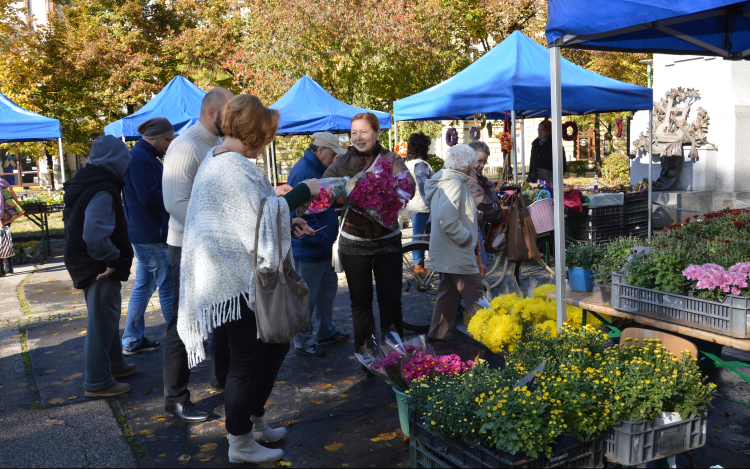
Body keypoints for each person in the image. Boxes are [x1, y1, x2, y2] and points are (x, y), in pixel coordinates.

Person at [177, 94, 319, 464]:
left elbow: (254, 216)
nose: (268, 142)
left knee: (274, 347)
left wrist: (288, 220)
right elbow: (258, 220)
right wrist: (308, 192)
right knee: (247, 360)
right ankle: (239, 442)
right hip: (233, 282)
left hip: (238, 277)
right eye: (267, 135)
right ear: (254, 131)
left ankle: (254, 421)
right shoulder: (229, 168)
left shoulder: (226, 161)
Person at [161, 87, 234, 422]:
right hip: (186, 247)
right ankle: (175, 398)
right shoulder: (186, 145)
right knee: (183, 321)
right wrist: (221, 224)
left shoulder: (215, 144)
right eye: (229, 111)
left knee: (222, 311)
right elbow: (175, 203)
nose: (233, 118)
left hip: (212, 243)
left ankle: (222, 378)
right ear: (211, 112)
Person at [323, 112, 415, 377]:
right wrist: (348, 193)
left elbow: (408, 185)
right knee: (359, 303)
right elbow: (326, 192)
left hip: (387, 240)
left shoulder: (390, 159)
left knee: (391, 302)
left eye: (363, 132)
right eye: (354, 133)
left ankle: (395, 357)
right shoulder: (341, 161)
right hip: (354, 241)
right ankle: (366, 359)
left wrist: (382, 191)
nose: (358, 137)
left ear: (376, 133)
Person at [62, 136, 136, 397]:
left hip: (85, 260)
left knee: (106, 316)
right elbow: (94, 234)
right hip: (98, 264)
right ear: (117, 161)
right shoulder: (103, 188)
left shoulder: (87, 180)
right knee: (101, 322)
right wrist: (113, 258)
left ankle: (115, 365)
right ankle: (98, 382)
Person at [289, 132, 350, 358]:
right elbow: (300, 212)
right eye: (333, 154)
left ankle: (326, 331)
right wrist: (321, 240)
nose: (335, 159)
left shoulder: (315, 168)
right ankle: (304, 342)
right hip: (311, 246)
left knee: (326, 292)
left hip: (321, 245)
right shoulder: (305, 171)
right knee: (307, 298)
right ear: (321, 150)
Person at [121, 117, 175, 356]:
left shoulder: (142, 156)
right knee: (167, 287)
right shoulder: (142, 159)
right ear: (154, 138)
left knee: (143, 287)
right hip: (151, 235)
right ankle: (179, 339)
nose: (169, 144)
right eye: (167, 139)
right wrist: (175, 195)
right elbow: (149, 196)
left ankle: (132, 340)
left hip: (144, 233)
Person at [424, 144, 485, 341]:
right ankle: (497, 338)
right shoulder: (454, 183)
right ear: (465, 165)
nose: (475, 166)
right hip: (457, 252)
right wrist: (466, 238)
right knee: (478, 298)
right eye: (473, 162)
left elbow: (449, 212)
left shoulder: (448, 180)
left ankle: (437, 336)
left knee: (447, 295)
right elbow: (447, 220)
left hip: (449, 252)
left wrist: (470, 216)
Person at [404, 132, 434, 277]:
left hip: (412, 204)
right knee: (420, 236)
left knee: (418, 235)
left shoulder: (409, 163)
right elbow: (424, 188)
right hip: (421, 206)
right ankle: (418, 266)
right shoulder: (420, 165)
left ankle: (419, 265)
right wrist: (431, 207)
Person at [467, 140, 505, 224]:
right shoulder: (469, 176)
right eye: (479, 161)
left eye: (484, 162)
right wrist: (500, 215)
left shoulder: (478, 176)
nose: (482, 165)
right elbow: (482, 203)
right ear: (469, 157)